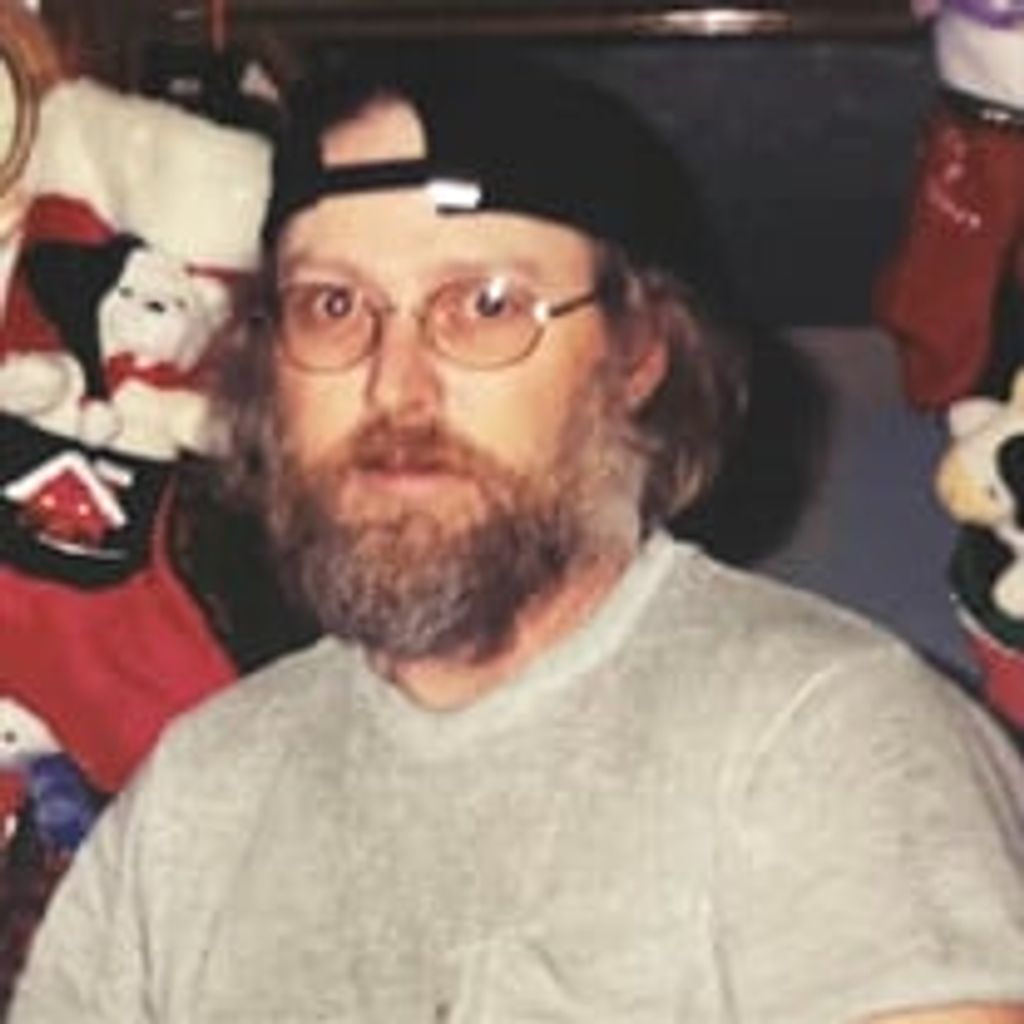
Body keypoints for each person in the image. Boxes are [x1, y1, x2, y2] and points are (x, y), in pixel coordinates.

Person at [10, 49, 1024, 1024]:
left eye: (486, 305)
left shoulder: (828, 738)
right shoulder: (197, 794)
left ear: (638, 355)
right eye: (332, 304)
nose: (394, 384)